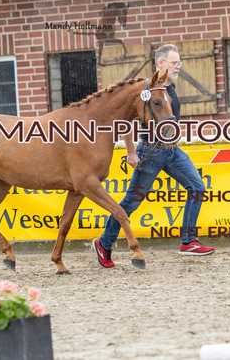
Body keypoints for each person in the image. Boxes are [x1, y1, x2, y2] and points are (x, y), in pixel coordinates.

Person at [92, 44, 214, 268]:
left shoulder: (170, 87)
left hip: (173, 151)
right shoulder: (145, 89)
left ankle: (188, 241)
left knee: (197, 187)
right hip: (150, 153)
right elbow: (126, 120)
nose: (178, 66)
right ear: (160, 64)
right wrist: (130, 152)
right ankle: (104, 243)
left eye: (179, 63)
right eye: (174, 63)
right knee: (131, 203)